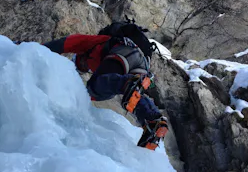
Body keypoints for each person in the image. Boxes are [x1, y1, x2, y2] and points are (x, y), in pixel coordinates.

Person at [43, 19, 168, 150]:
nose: (84, 67)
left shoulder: (95, 43)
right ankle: (153, 119)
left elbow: (65, 43)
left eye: (80, 64)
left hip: (124, 50)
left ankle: (128, 82)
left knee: (96, 86)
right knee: (131, 94)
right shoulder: (105, 63)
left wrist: (29, 47)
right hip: (142, 65)